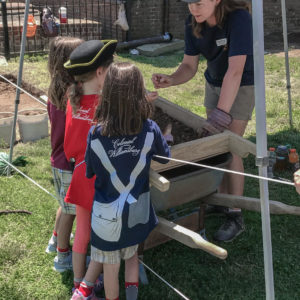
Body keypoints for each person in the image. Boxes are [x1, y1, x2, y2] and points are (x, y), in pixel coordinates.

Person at [152, 0, 254, 242]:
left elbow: (235, 71)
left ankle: (235, 213)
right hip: (214, 82)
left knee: (232, 145)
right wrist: (172, 79)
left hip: (241, 84)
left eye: (199, 2)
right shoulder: (193, 22)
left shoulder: (239, 18)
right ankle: (220, 199)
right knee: (217, 146)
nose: (193, 8)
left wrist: (221, 114)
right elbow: (189, 65)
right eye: (189, 2)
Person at [71, 62, 171, 300]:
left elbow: (90, 171)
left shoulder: (96, 133)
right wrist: (168, 137)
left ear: (108, 92)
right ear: (140, 92)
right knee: (132, 256)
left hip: (106, 214)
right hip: (137, 211)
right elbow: (165, 158)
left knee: (111, 268)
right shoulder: (150, 128)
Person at [63, 39, 118, 293]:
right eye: (110, 70)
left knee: (82, 229)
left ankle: (77, 280)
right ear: (99, 72)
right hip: (101, 177)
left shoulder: (71, 99)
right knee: (103, 232)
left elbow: (69, 146)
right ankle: (90, 282)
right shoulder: (106, 103)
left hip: (79, 173)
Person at [45, 36, 83, 273]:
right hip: (69, 162)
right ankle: (62, 257)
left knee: (64, 203)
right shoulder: (73, 93)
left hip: (58, 159)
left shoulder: (55, 86)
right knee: (70, 211)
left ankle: (55, 239)